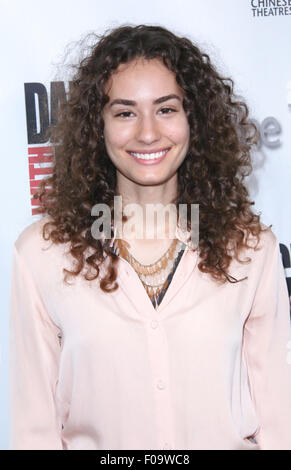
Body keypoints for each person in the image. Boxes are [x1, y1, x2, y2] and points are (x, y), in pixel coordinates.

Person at [9, 24, 291, 450]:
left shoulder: (250, 249)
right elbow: (33, 429)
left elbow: (279, 416)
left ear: (193, 119)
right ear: (96, 125)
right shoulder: (41, 254)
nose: (146, 133)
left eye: (166, 109)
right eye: (125, 112)